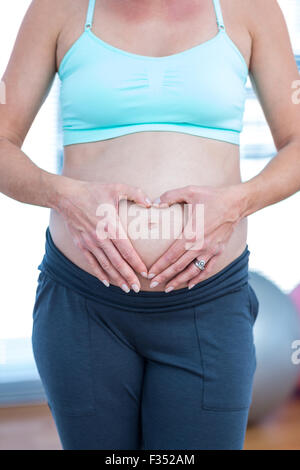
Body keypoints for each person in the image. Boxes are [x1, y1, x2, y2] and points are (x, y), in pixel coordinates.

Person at [0, 0, 299, 450]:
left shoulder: (250, 9)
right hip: (84, 306)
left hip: (208, 307)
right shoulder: (58, 9)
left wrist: (237, 203)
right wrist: (62, 194)